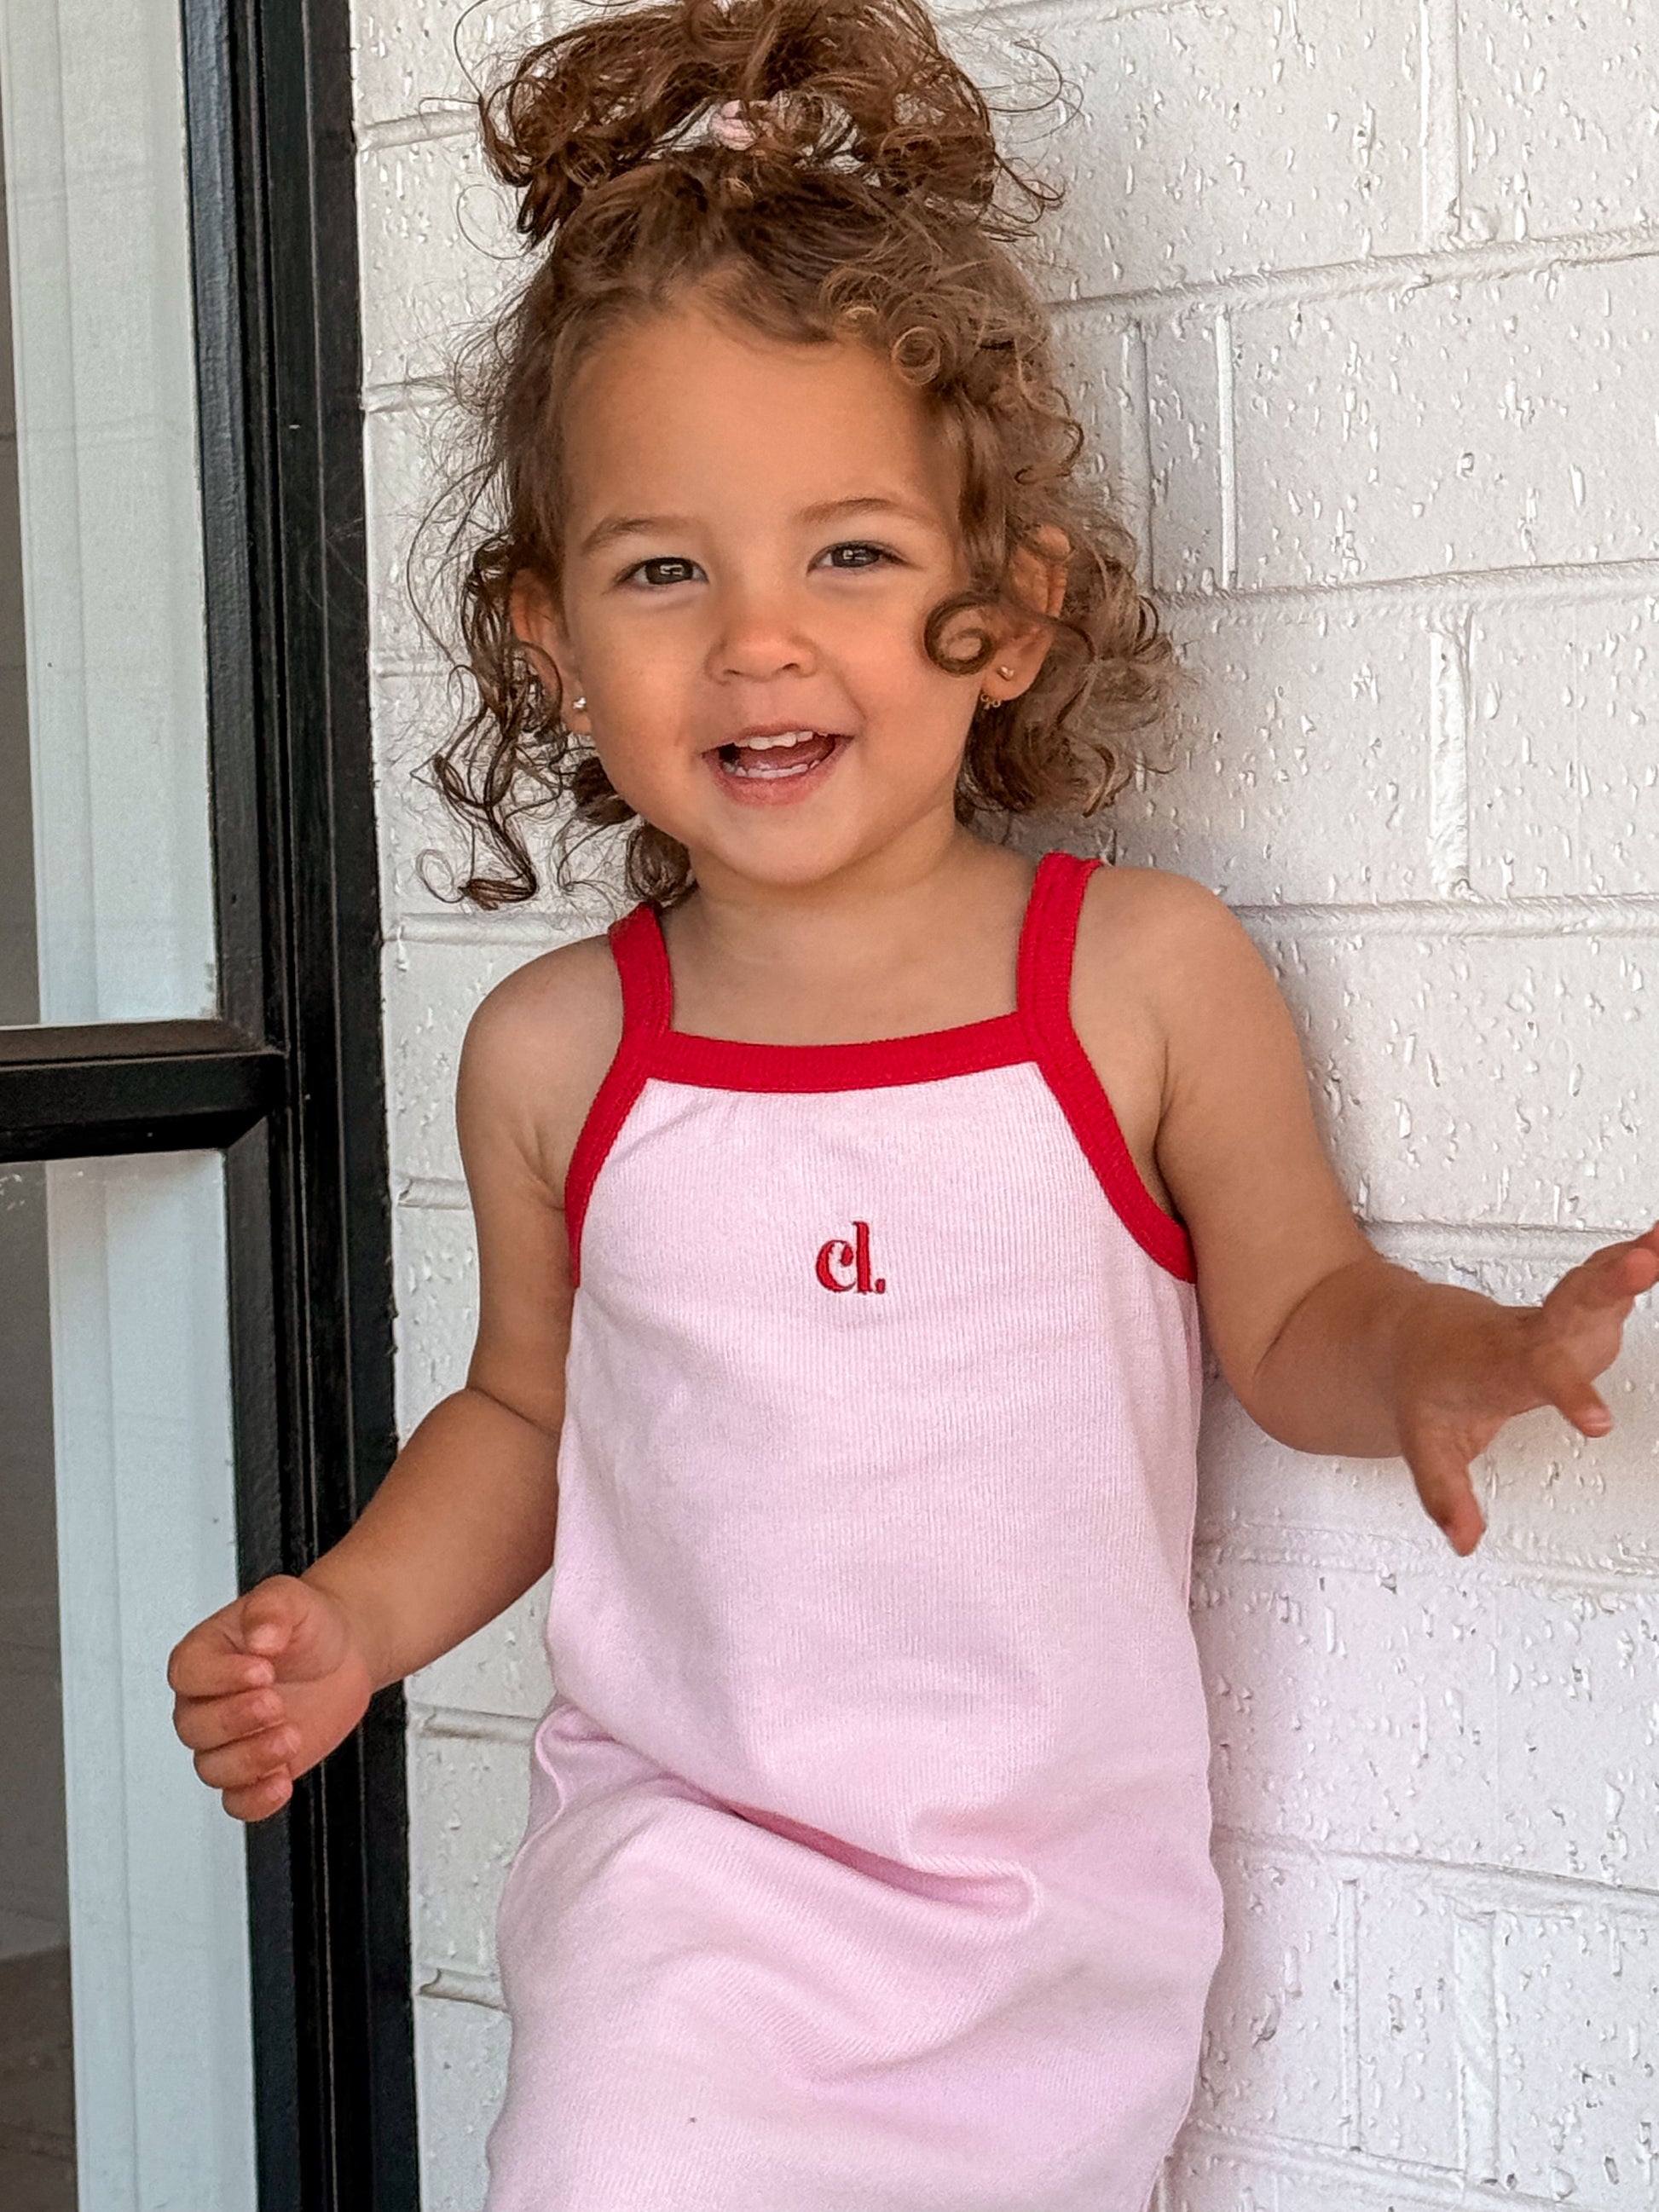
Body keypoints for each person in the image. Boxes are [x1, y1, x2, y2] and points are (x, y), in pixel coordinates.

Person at [167, 2, 1659, 2204]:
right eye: (666, 568)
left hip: (1038, 1940)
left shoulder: (1131, 980)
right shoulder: (560, 1055)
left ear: (1008, 608)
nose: (759, 640)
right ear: (549, 639)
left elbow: (1289, 1312)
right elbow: (519, 1417)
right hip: (685, 1893)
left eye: (848, 554)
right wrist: (360, 1618)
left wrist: (1449, 1353)